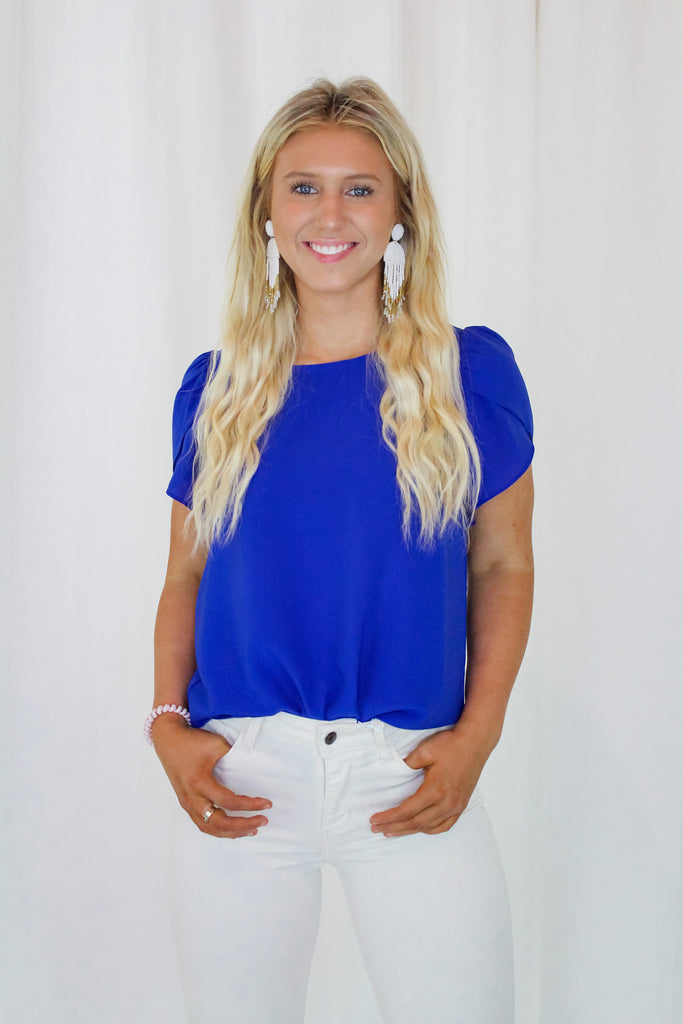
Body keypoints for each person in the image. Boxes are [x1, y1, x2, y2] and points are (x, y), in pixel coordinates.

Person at [149, 77, 534, 1024]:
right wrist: (166, 722)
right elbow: (185, 573)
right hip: (242, 772)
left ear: (399, 212)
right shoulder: (215, 389)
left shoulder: (467, 371)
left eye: (360, 189)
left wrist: (478, 735)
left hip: (408, 768)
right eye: (303, 187)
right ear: (266, 212)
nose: (330, 215)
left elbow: (502, 564)